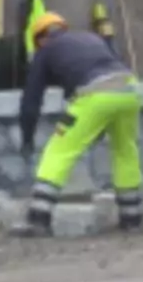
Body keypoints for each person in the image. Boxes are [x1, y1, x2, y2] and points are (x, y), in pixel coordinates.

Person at [19, 12, 141, 234]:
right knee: (125, 150)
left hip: (95, 93)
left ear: (41, 38)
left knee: (59, 149)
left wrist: (27, 138)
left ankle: (38, 218)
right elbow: (113, 66)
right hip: (131, 90)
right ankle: (132, 218)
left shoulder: (46, 50)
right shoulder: (90, 38)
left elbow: (31, 100)